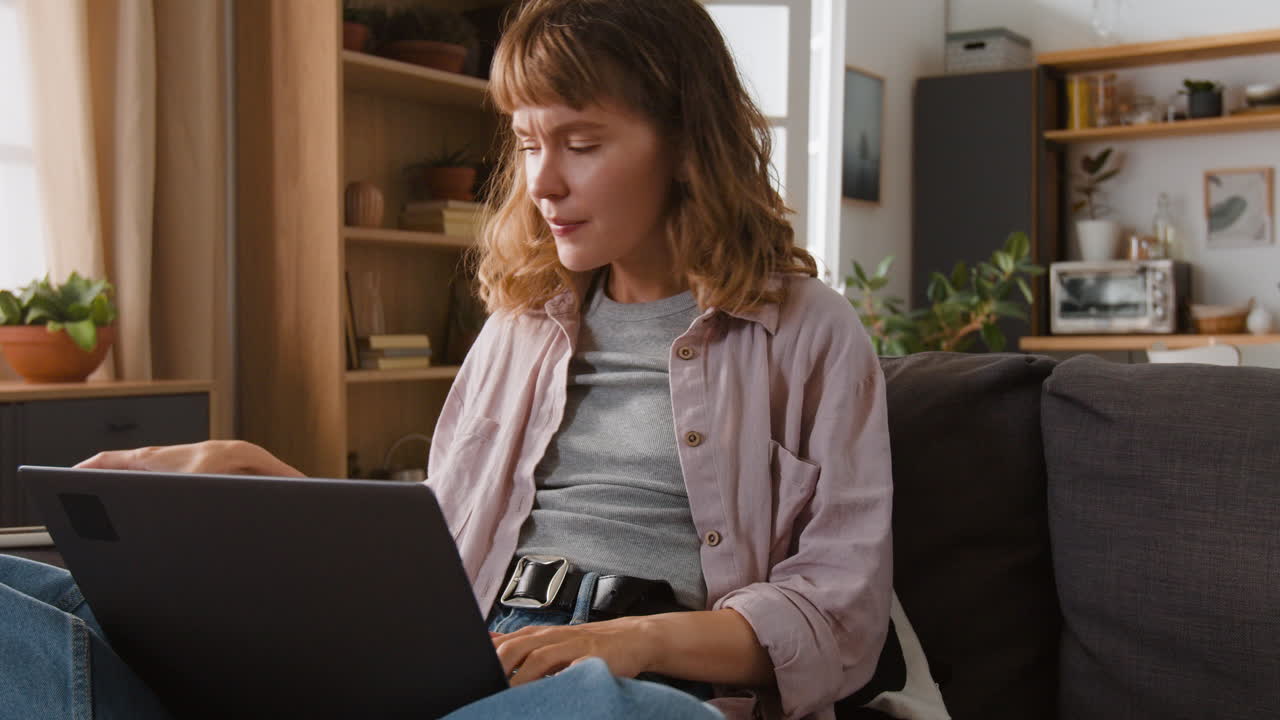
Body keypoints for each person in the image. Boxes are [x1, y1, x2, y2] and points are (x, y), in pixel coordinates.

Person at [0, 1, 912, 718]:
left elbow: (840, 619)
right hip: (465, 655)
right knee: (17, 594)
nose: (543, 183)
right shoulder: (521, 327)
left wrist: (629, 641)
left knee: (610, 711)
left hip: (638, 681)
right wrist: (267, 482)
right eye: (525, 144)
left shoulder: (806, 334)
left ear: (685, 143)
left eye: (582, 144)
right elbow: (437, 550)